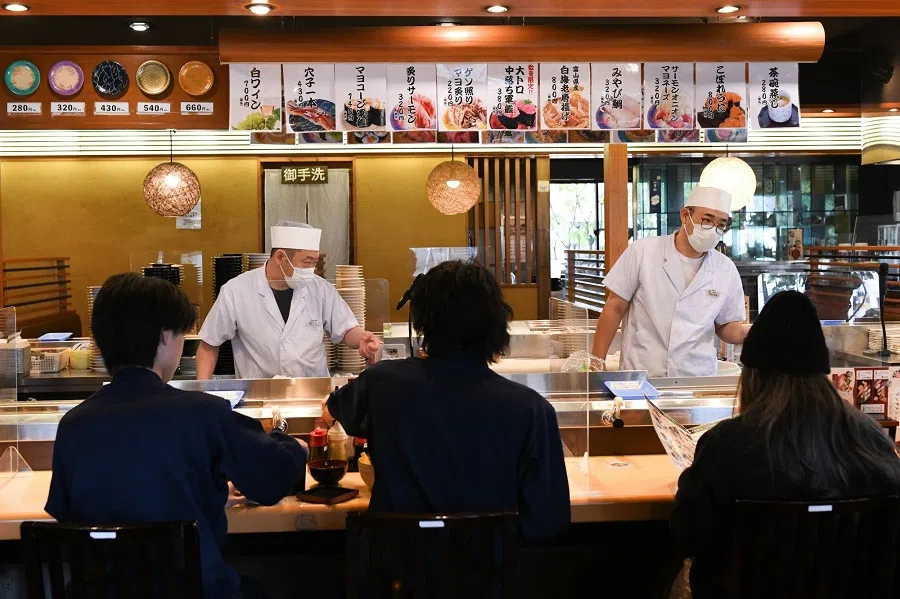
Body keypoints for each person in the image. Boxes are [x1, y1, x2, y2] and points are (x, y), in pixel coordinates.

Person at [46, 273, 309, 599]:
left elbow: (71, 514)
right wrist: (297, 446)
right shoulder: (202, 412)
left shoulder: (74, 425)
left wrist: (206, 493)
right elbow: (272, 479)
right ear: (165, 338)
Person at [671, 291, 900, 599]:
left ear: (753, 376)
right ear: (822, 375)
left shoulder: (726, 445)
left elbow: (688, 536)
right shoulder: (872, 441)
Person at [323, 260, 570, 541]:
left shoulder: (382, 382)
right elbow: (549, 520)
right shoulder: (531, 410)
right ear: (497, 325)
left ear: (425, 322)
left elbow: (330, 413)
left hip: (396, 573)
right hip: (488, 578)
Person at [592, 186, 748, 377]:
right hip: (642, 375)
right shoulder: (643, 252)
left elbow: (725, 326)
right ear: (685, 216)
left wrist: (747, 333)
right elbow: (615, 307)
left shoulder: (725, 268)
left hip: (697, 378)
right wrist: (597, 361)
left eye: (721, 225)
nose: (713, 230)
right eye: (706, 220)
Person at [196, 221, 380, 379]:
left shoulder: (321, 288)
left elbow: (346, 329)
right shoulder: (236, 290)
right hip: (259, 396)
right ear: (281, 257)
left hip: (312, 394)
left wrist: (362, 339)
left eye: (315, 262)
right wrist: (201, 393)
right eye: (307, 262)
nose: (312, 269)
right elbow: (209, 344)